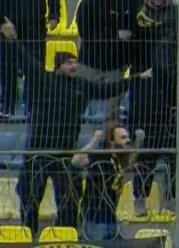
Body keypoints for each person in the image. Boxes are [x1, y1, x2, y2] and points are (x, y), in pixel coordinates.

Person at [3, 22, 148, 236]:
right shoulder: (43, 79)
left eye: (75, 62)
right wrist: (13, 39)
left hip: (66, 153)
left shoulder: (82, 85)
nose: (74, 66)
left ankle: (66, 236)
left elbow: (107, 88)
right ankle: (28, 235)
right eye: (69, 62)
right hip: (38, 151)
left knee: (70, 199)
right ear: (59, 65)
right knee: (30, 198)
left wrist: (135, 79)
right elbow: (24, 60)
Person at [128, 0, 178, 216]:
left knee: (174, 154)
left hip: (170, 93)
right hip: (145, 97)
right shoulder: (138, 13)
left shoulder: (176, 14)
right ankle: (140, 197)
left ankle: (173, 198)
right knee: (145, 154)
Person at [0, 0, 60, 118]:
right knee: (7, 67)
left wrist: (55, 14)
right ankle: (7, 106)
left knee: (35, 67)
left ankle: (32, 106)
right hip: (7, 25)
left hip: (34, 24)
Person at [73, 124, 142, 241]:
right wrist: (94, 140)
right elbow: (76, 161)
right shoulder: (100, 157)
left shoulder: (119, 159)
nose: (128, 140)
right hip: (95, 219)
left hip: (111, 217)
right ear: (112, 141)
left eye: (128, 137)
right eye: (123, 138)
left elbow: (129, 162)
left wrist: (138, 143)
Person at [76, 0, 143, 83]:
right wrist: (115, 35)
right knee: (86, 94)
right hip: (91, 62)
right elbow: (84, 30)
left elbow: (139, 21)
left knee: (113, 94)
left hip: (116, 65)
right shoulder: (91, 0)